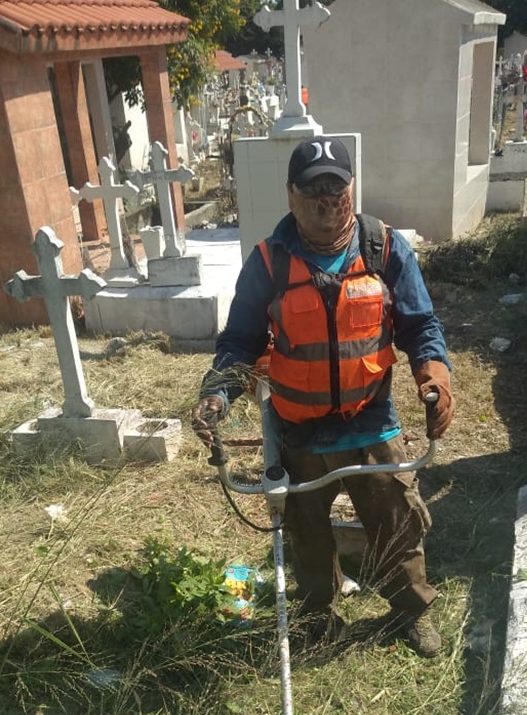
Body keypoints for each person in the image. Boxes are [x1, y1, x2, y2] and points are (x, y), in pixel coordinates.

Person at [191, 137, 453, 657]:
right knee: (306, 530)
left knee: (395, 517)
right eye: (314, 190)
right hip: (299, 425)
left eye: (337, 187)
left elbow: (421, 324)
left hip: (370, 418)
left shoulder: (384, 249)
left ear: (352, 188)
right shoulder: (268, 262)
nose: (327, 201)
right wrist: (218, 394)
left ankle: (410, 610)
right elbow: (239, 342)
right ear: (291, 195)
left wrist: (434, 374)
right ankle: (317, 618)